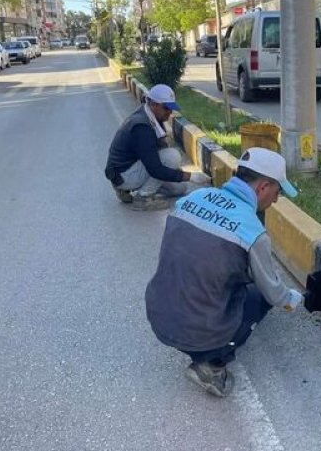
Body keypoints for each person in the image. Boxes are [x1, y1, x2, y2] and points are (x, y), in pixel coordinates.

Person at [145, 147, 304, 398]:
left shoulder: (191, 200)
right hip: (199, 334)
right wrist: (294, 300)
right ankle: (212, 364)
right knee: (258, 297)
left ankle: (200, 341)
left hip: (159, 316)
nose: (275, 200)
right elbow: (274, 293)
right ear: (263, 187)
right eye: (278, 191)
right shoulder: (252, 231)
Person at [104, 83, 210, 207]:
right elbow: (155, 169)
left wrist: (179, 174)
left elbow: (160, 148)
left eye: (171, 108)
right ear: (154, 104)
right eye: (166, 108)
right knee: (172, 156)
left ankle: (128, 189)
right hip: (124, 175)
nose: (169, 112)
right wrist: (191, 176)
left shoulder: (151, 115)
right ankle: (143, 198)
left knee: (179, 189)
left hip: (133, 168)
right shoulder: (142, 127)